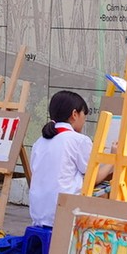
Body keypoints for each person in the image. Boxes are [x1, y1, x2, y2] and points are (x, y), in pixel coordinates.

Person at [28, 90, 94, 229]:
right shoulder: (79, 140)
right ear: (74, 114)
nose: (84, 121)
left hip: (38, 215)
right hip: (64, 214)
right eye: (84, 115)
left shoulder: (39, 142)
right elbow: (92, 176)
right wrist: (114, 161)